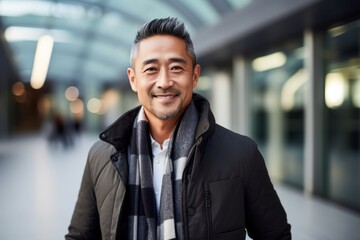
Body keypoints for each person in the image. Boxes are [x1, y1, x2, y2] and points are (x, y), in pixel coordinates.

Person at [65, 17, 291, 240]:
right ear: (133, 79)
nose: (164, 82)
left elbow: (276, 236)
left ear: (194, 76)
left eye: (176, 68)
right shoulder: (102, 156)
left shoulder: (241, 154)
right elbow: (80, 236)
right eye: (151, 69)